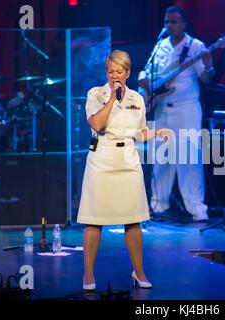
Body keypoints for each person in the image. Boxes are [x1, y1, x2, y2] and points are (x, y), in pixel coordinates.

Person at [77, 50, 173, 290]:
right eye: (110, 71)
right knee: (94, 219)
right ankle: (88, 274)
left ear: (128, 73)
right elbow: (97, 125)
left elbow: (138, 133)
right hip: (102, 159)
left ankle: (139, 272)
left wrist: (156, 132)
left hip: (128, 161)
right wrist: (112, 99)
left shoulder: (137, 99)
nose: (114, 76)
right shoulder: (96, 94)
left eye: (119, 72)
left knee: (133, 220)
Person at [137, 6, 214, 222]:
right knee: (162, 158)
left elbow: (207, 78)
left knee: (189, 158)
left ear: (183, 24)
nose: (168, 25)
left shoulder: (195, 46)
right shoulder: (160, 45)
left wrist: (209, 66)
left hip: (186, 108)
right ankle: (158, 205)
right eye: (166, 21)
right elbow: (147, 70)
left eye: (173, 22)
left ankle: (196, 208)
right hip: (162, 106)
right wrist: (144, 82)